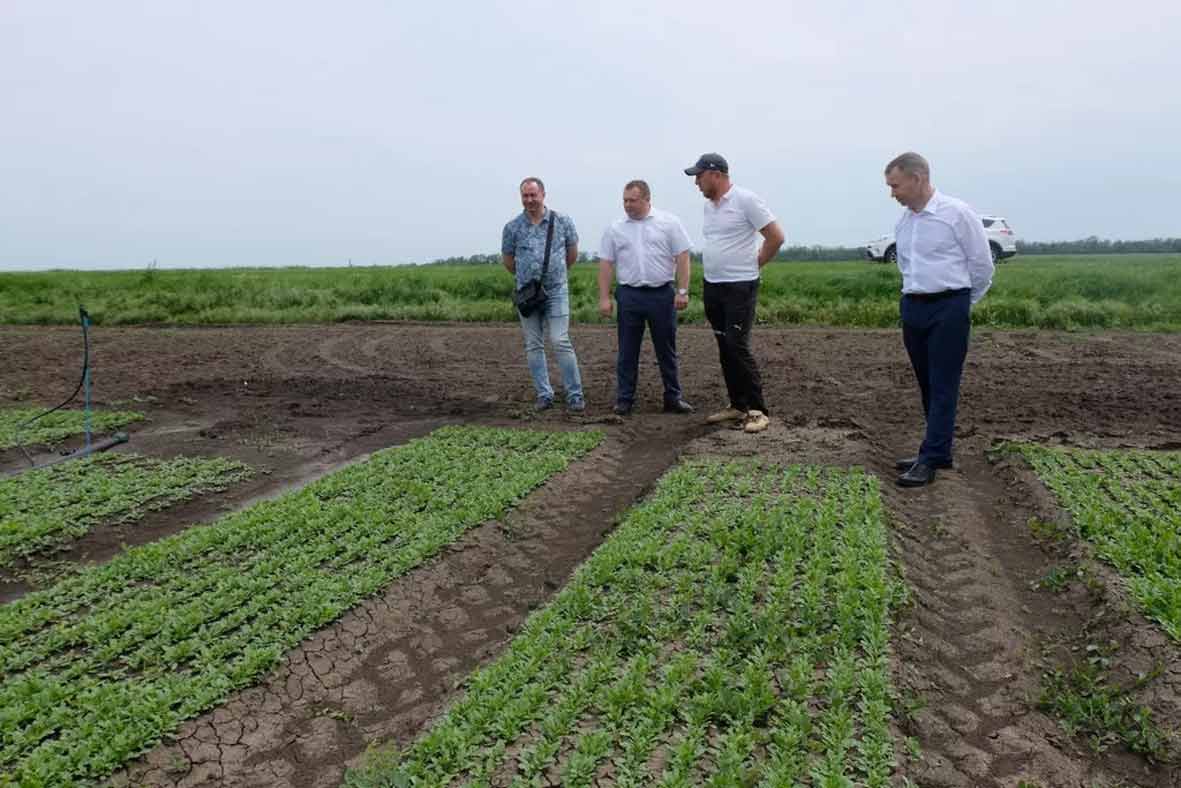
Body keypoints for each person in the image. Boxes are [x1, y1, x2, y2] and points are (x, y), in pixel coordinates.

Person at [884, 151, 994, 487]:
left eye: (896, 185)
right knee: (927, 382)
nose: (893, 194)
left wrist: (959, 304)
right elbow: (907, 266)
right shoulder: (905, 222)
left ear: (917, 179)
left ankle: (930, 458)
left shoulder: (957, 215)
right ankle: (938, 451)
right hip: (914, 306)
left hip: (949, 305)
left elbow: (982, 266)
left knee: (944, 383)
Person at [684, 153, 784, 434]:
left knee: (737, 346)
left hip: (740, 286)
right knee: (724, 346)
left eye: (699, 177)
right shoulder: (710, 208)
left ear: (715, 174)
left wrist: (756, 262)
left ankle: (757, 410)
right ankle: (737, 405)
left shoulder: (746, 200)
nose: (696, 184)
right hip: (713, 285)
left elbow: (776, 236)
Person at [597, 180, 694, 417]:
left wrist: (682, 291)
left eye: (633, 200)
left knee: (666, 348)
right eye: (625, 200)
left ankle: (673, 397)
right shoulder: (615, 228)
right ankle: (624, 399)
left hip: (661, 294)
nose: (627, 205)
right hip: (629, 295)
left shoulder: (669, 223)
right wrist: (604, 297)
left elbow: (682, 256)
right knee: (627, 350)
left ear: (647, 199)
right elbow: (606, 263)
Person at [501, 177, 585, 412]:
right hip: (527, 296)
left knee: (560, 340)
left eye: (533, 195)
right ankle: (544, 394)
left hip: (557, 290)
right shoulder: (512, 227)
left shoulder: (562, 222)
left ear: (543, 195)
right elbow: (508, 261)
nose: (529, 200)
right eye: (525, 196)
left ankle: (575, 395)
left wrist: (555, 275)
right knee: (533, 344)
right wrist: (527, 281)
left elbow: (572, 253)